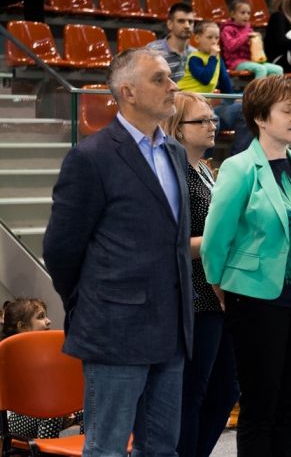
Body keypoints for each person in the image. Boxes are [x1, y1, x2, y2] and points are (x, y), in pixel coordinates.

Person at [43, 48, 193, 457]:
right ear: (128, 92)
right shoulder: (91, 157)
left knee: (162, 449)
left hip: (171, 328)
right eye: (159, 79)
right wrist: (90, 302)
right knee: (106, 449)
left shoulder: (175, 152)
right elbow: (60, 249)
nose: (173, 86)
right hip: (114, 329)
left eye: (170, 78)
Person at [200, 75, 291, 456]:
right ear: (260, 117)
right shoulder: (239, 167)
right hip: (256, 301)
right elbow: (215, 240)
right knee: (260, 408)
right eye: (287, 111)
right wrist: (222, 287)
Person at [160, 92, 240, 457]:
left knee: (225, 391)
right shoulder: (172, 174)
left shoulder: (205, 169)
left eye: (213, 119)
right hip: (194, 295)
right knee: (193, 392)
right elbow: (170, 243)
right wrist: (219, 241)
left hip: (219, 290)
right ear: (178, 128)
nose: (212, 126)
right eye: (202, 121)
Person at [1, 298, 84, 439]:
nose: (48, 321)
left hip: (48, 410)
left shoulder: (47, 352)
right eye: (41, 317)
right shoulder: (10, 354)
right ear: (22, 326)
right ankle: (44, 450)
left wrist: (65, 409)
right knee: (51, 408)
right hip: (13, 420)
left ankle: (90, 448)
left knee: (93, 407)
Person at [220, 0, 284, 79]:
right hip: (236, 63)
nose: (246, 16)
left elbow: (255, 49)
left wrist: (257, 40)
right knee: (261, 69)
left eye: (248, 13)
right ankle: (258, 87)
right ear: (233, 14)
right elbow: (230, 46)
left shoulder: (248, 29)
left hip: (251, 61)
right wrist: (246, 36)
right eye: (243, 13)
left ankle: (271, 87)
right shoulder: (227, 29)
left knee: (278, 69)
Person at [178, 21, 234, 94]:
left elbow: (225, 81)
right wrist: (212, 57)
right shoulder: (194, 58)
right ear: (197, 38)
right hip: (186, 95)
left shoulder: (217, 58)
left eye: (217, 38)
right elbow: (205, 79)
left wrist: (231, 99)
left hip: (203, 98)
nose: (214, 42)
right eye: (209, 37)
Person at [147, 2, 195, 82]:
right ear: (170, 24)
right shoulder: (152, 50)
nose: (187, 26)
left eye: (190, 22)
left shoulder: (195, 53)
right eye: (181, 21)